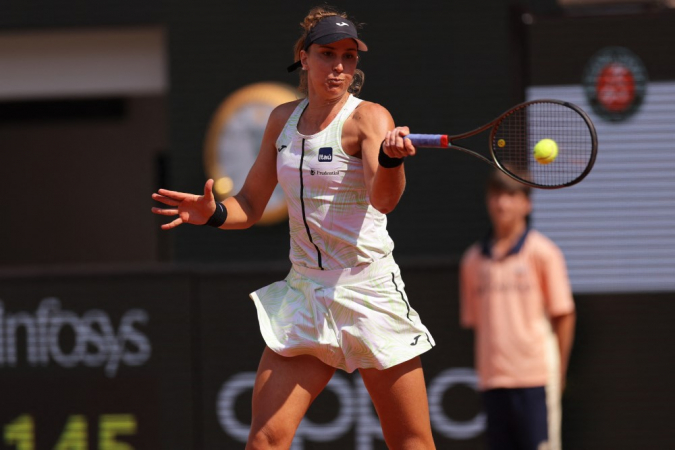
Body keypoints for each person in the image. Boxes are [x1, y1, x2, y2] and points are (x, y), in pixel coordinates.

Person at [152, 6, 437, 450]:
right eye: (327, 54)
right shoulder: (280, 119)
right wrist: (214, 214)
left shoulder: (369, 118)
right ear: (304, 58)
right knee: (265, 441)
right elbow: (250, 203)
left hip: (368, 290)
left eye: (349, 56)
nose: (339, 66)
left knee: (411, 443)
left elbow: (384, 200)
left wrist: (392, 160)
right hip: (306, 293)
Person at [459, 170, 576, 450]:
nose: (502, 204)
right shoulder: (472, 261)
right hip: (492, 380)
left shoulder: (544, 253)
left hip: (535, 380)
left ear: (527, 204)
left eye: (511, 195)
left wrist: (557, 374)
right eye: (497, 195)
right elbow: (476, 321)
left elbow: (564, 315)